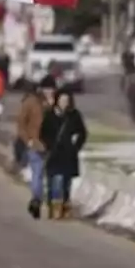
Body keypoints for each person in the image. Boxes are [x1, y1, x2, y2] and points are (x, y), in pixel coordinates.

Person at [38, 89, 88, 219]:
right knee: (53, 181)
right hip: (53, 154)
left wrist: (75, 147)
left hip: (68, 154)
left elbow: (82, 133)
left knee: (66, 183)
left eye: (67, 100)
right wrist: (48, 145)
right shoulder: (49, 115)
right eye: (62, 100)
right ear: (57, 100)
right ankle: (52, 206)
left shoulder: (74, 115)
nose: (64, 103)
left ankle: (64, 207)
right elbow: (42, 133)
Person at [16, 76, 56, 219]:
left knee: (52, 175)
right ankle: (36, 201)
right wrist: (28, 141)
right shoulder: (31, 102)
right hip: (36, 145)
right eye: (47, 89)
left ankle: (54, 203)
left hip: (52, 146)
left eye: (52, 89)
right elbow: (21, 124)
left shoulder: (58, 103)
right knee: (37, 173)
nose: (50, 92)